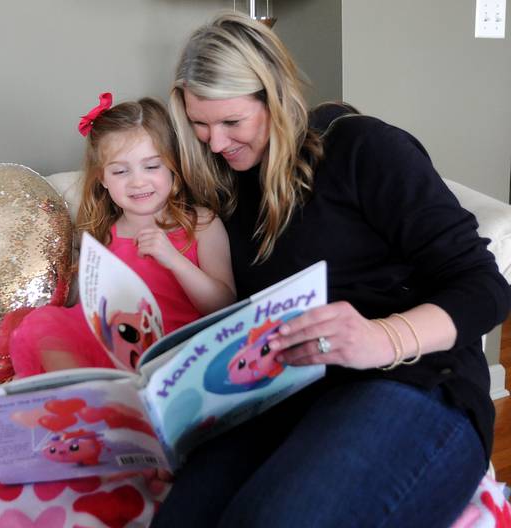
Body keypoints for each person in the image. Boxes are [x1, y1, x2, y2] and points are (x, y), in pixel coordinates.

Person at [152, 10, 511, 528]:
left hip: (411, 382)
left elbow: (486, 287)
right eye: (199, 125)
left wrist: (382, 337)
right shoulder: (229, 184)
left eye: (231, 122)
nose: (214, 141)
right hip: (291, 393)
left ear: (274, 96)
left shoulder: (364, 148)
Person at [9, 94, 235, 377]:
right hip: (113, 351)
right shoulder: (103, 235)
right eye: (120, 171)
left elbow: (224, 304)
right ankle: (81, 398)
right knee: (40, 323)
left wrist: (174, 260)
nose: (138, 181)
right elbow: (89, 311)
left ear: (173, 168)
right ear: (103, 178)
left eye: (152, 166)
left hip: (177, 349)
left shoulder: (201, 223)